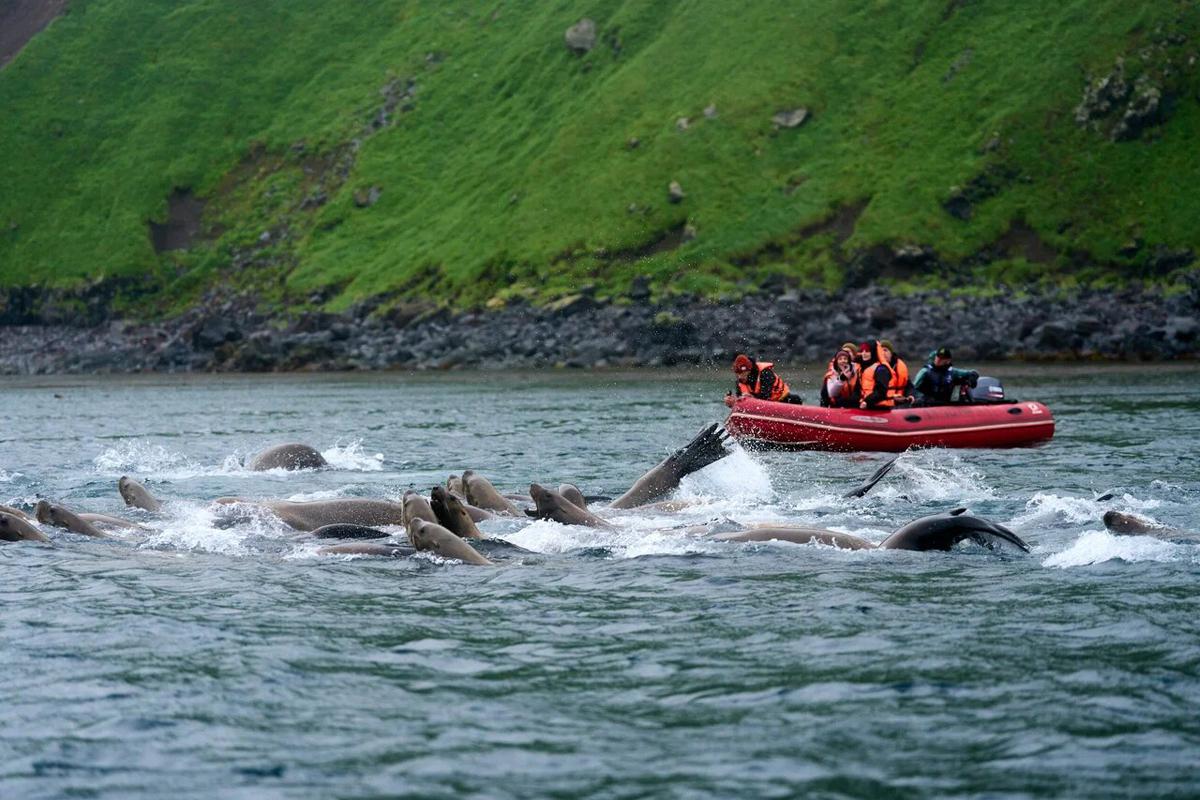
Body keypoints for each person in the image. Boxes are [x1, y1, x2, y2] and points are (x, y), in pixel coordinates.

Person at [724, 354, 802, 406]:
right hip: (760, 407)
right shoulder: (739, 382)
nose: (740, 376)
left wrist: (750, 398)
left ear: (749, 370)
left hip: (782, 401)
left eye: (743, 373)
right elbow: (741, 403)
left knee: (796, 399)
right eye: (738, 373)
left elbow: (765, 396)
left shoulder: (765, 373)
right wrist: (733, 402)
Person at [912, 347, 979, 405]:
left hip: (947, 404)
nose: (938, 359)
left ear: (948, 360)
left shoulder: (953, 372)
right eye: (938, 357)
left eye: (942, 358)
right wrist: (918, 398)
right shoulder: (925, 371)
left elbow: (973, 373)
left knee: (961, 381)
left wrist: (971, 379)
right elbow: (913, 388)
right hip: (927, 403)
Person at [857, 340, 898, 410]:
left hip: (880, 408)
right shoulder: (863, 368)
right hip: (868, 406)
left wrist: (867, 402)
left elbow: (881, 391)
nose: (864, 353)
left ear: (873, 352)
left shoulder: (881, 369)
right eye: (862, 351)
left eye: (867, 351)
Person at [878, 339, 914, 407]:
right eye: (881, 351)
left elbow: (909, 386)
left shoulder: (899, 367)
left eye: (885, 350)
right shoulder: (876, 368)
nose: (883, 353)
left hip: (900, 403)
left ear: (891, 353)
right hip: (882, 403)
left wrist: (911, 395)